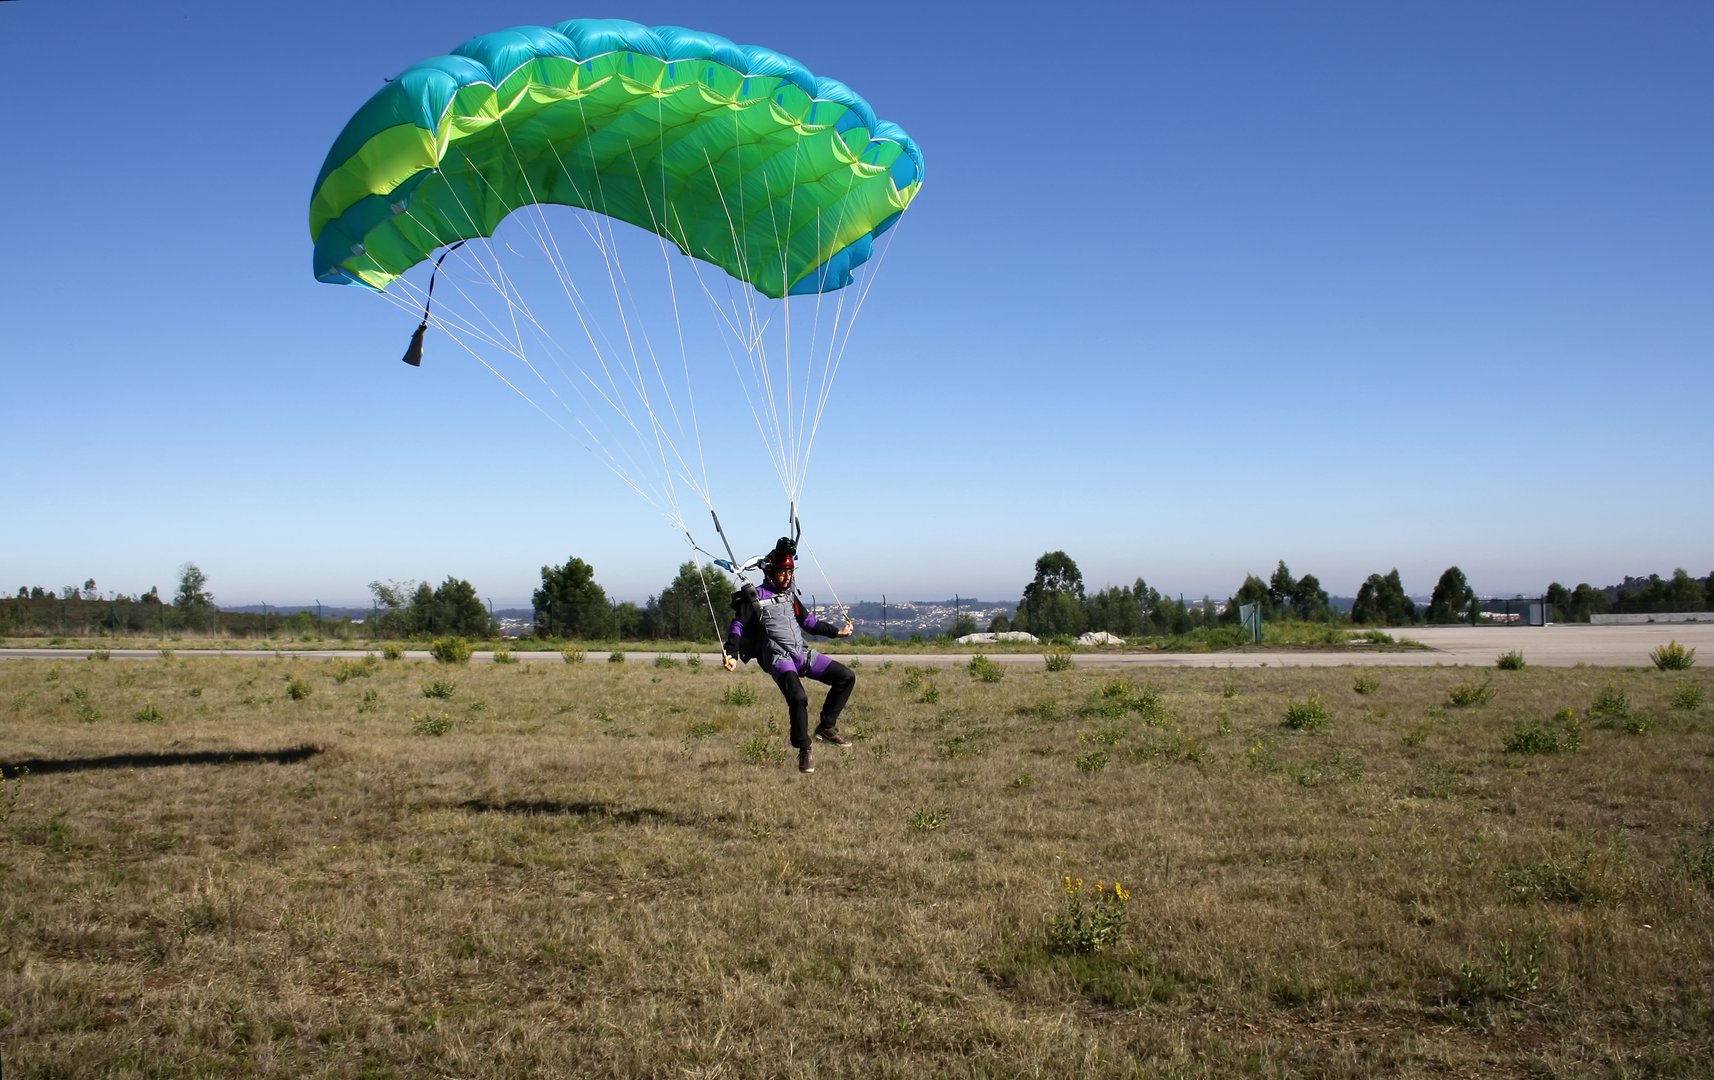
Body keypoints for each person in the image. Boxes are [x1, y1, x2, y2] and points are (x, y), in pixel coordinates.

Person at [723, 538, 855, 773]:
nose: (786, 577)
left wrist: (837, 632)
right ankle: (804, 749)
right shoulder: (754, 597)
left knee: (846, 677)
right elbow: (737, 626)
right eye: (782, 572)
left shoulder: (790, 596)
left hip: (802, 653)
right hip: (778, 658)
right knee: (798, 697)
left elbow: (809, 622)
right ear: (770, 572)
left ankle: (827, 726)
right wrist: (731, 652)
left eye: (790, 572)